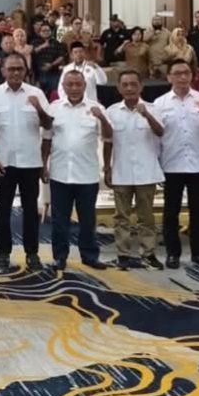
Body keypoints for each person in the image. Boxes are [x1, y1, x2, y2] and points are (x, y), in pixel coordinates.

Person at [0, 52, 52, 271]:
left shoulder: (36, 93)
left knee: (30, 211)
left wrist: (38, 108)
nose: (15, 73)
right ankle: (3, 254)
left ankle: (32, 254)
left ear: (25, 71)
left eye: (19, 69)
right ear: (3, 71)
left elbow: (49, 125)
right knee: (2, 210)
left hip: (31, 162)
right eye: (11, 69)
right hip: (4, 163)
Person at [43, 70, 112, 271]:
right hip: (60, 173)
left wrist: (102, 118)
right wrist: (43, 165)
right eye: (70, 84)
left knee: (87, 220)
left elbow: (109, 137)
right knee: (59, 220)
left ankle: (89, 256)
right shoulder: (54, 108)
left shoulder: (97, 108)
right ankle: (60, 257)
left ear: (84, 86)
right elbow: (46, 139)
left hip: (87, 174)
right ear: (63, 86)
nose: (74, 88)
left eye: (78, 84)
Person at [153, 60, 199, 268]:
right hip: (171, 164)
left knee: (198, 212)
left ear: (192, 76)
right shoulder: (160, 103)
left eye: (186, 73)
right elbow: (156, 138)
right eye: (177, 73)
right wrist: (157, 165)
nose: (182, 77)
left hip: (198, 164)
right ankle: (173, 253)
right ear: (169, 77)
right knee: (170, 212)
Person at [103, 70, 165, 270]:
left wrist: (146, 115)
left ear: (141, 87)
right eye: (125, 85)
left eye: (133, 84)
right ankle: (123, 254)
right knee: (121, 217)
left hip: (146, 172)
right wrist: (107, 167)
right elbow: (108, 142)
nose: (129, 88)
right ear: (119, 88)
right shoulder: (112, 111)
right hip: (121, 171)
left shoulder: (153, 108)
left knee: (146, 217)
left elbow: (161, 132)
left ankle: (149, 254)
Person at [31, 22, 66, 95]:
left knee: (54, 94)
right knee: (39, 95)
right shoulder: (34, 42)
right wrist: (43, 46)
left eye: (48, 30)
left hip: (53, 73)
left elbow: (61, 56)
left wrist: (51, 65)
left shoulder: (56, 43)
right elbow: (32, 52)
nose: (46, 32)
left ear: (51, 32)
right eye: (43, 31)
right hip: (39, 74)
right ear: (39, 32)